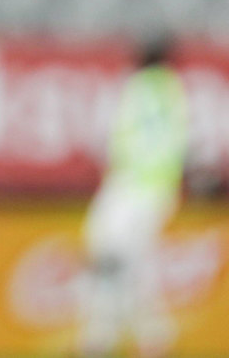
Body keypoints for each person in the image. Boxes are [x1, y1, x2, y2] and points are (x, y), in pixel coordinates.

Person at [79, 38, 188, 358]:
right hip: (157, 189)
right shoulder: (173, 89)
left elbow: (120, 137)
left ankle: (103, 339)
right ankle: (148, 336)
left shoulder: (140, 86)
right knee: (131, 263)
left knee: (106, 255)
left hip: (131, 185)